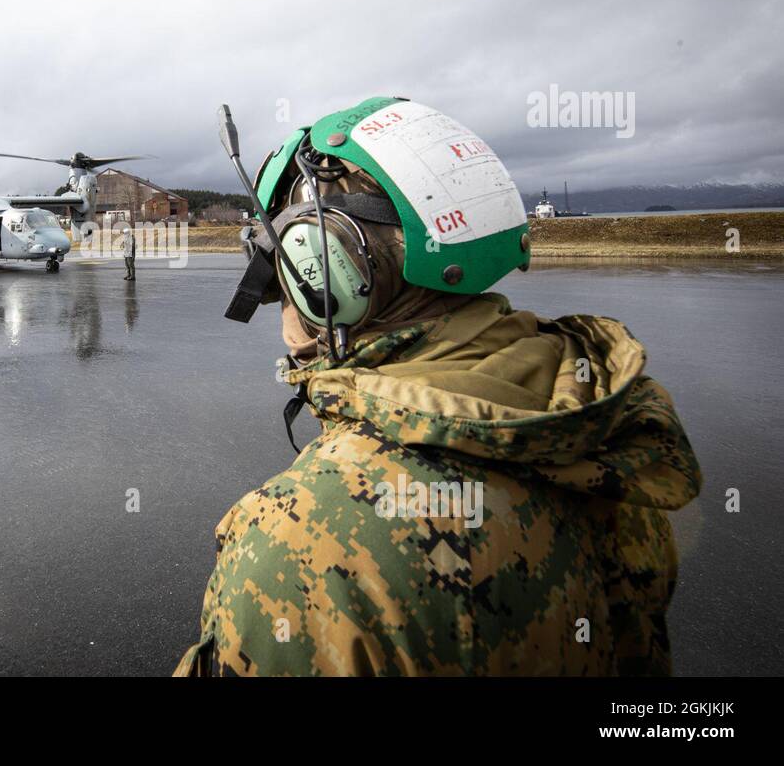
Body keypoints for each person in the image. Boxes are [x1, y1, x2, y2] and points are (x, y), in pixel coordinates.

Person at [175, 97, 701, 676]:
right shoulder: (602, 426)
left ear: (325, 273)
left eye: (282, 271)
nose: (284, 302)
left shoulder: (299, 542)